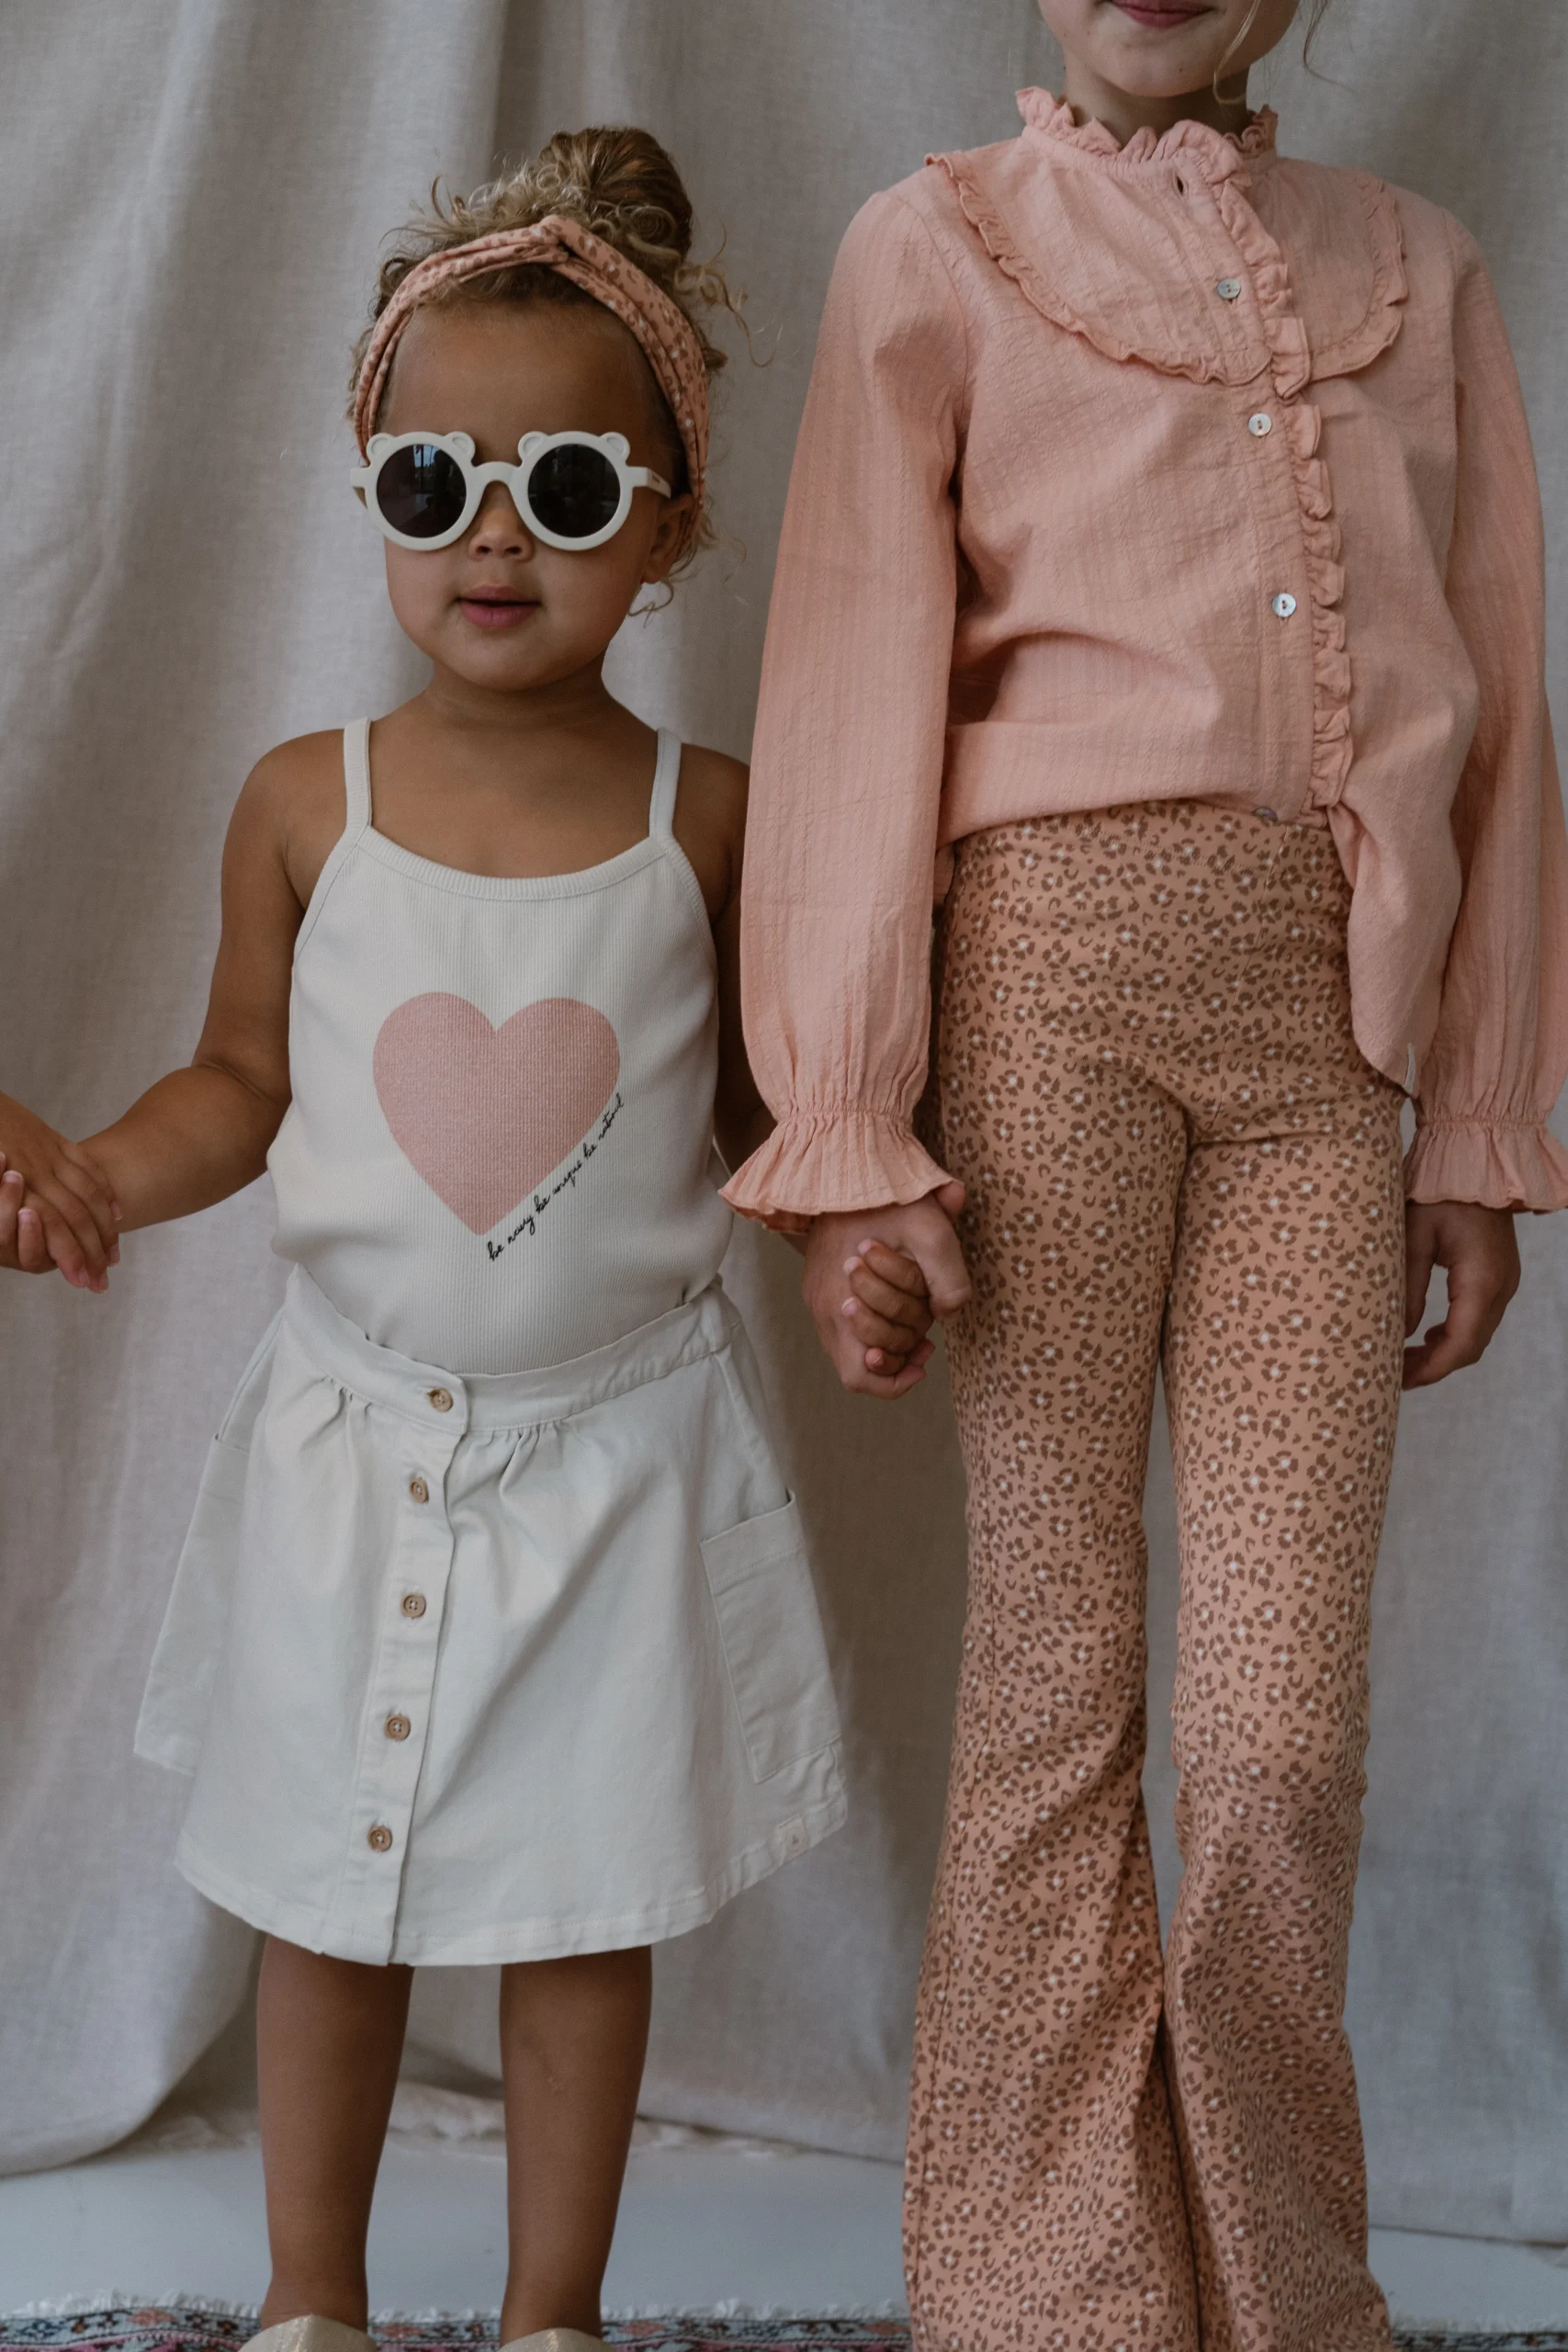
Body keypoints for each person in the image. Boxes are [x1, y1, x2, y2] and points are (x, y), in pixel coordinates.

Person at [0, 127, 925, 2352]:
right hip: (348, 1441)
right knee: (324, 1897)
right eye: (436, 486)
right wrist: (103, 1169)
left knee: (581, 1911)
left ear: (667, 521)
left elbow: (763, 1124)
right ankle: (308, 2299)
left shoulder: (711, 820)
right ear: (376, 497)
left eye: (566, 492)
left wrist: (850, 1238)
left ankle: (551, 2312)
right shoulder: (303, 800)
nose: (494, 536)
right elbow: (241, 1080)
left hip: (619, 1460)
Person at [724, 3, 1567, 2347]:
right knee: (1053, 1674)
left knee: (1280, 1732)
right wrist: (850, 1128)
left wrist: (1475, 1116)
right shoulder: (936, 248)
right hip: (1042, 1005)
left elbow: (1502, 691)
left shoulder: (1416, 268)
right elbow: (852, 680)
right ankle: (1047, 2295)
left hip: (1324, 1050)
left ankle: (1279, 2286)